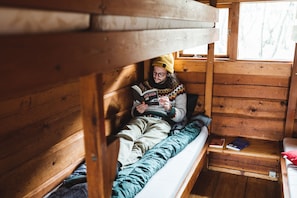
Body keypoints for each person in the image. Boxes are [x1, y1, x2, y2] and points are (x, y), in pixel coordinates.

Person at [116, 53, 187, 171]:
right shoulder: (144, 86)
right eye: (154, 73)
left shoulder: (178, 88)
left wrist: (170, 109)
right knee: (126, 135)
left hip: (161, 123)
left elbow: (181, 114)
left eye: (161, 74)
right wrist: (138, 110)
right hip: (142, 118)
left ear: (168, 74)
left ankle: (119, 167)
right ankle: (116, 162)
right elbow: (134, 111)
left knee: (143, 143)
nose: (156, 77)